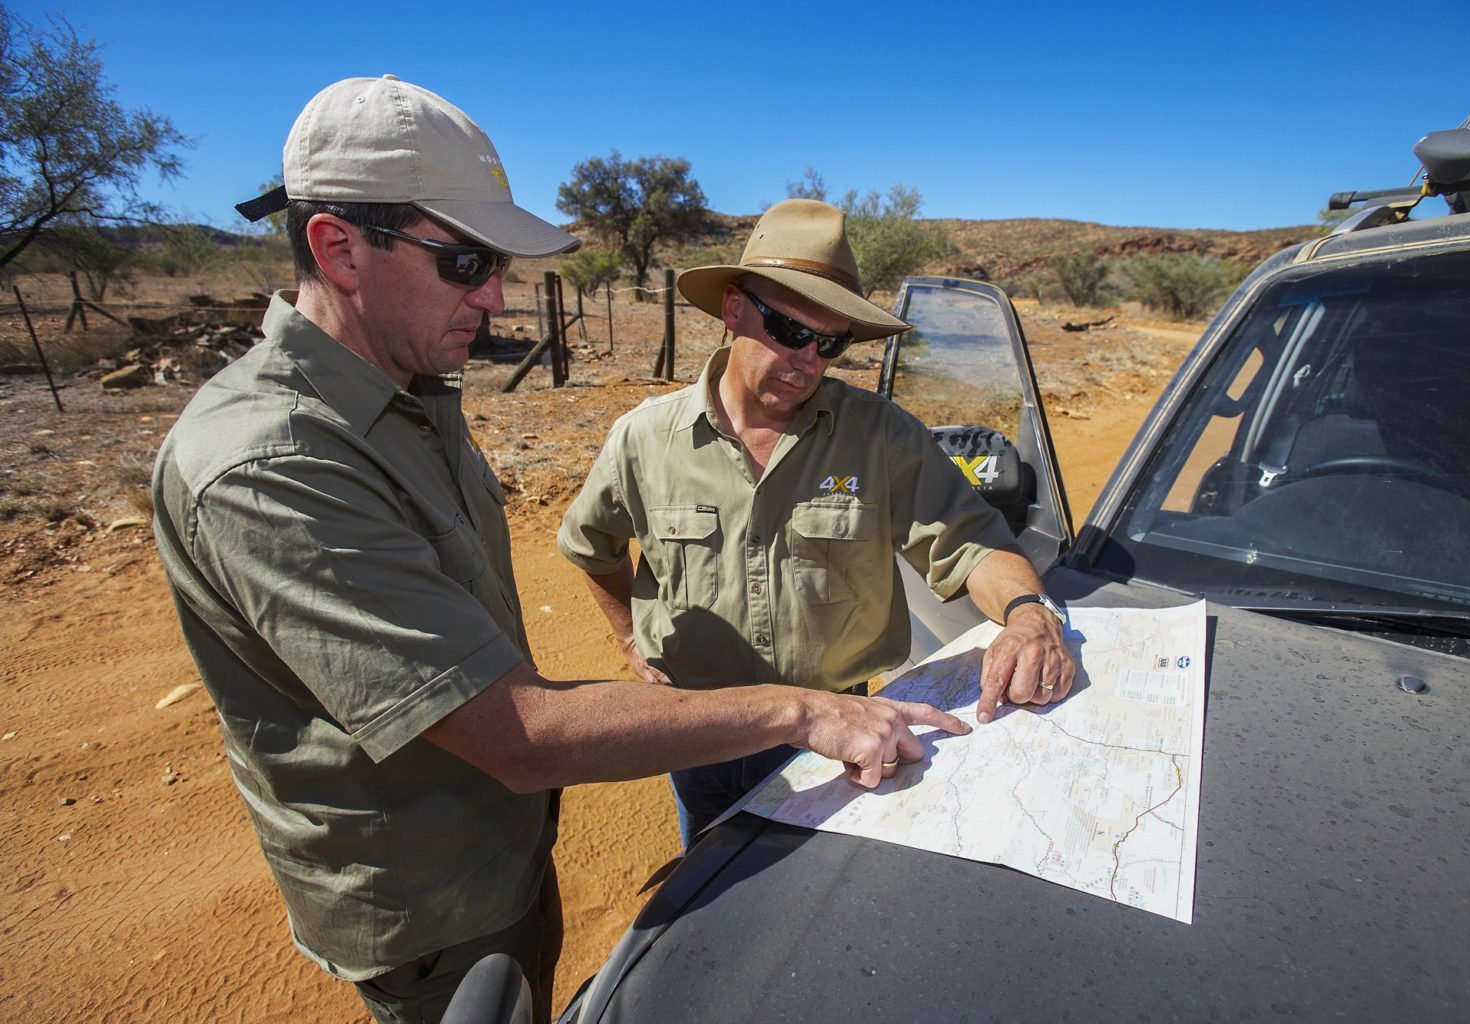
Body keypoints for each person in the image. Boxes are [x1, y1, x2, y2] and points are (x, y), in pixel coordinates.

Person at [152, 78, 969, 1024]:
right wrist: (799, 711)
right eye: (462, 260)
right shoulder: (274, 461)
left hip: (498, 854)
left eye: (492, 260)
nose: (496, 295)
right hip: (428, 899)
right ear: (338, 248)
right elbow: (518, 733)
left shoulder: (409, 398)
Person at [557, 198, 1078, 848]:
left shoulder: (880, 438)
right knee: (712, 885)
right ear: (732, 309)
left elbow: (971, 543)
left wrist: (1029, 613)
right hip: (698, 727)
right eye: (788, 329)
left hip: (842, 729)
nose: (807, 359)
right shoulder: (642, 440)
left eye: (829, 342)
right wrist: (630, 639)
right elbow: (591, 544)